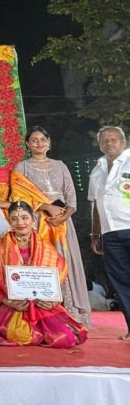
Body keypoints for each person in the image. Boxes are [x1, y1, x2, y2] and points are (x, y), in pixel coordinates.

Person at [0, 136, 63, 298]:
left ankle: (14, 299)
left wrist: (1, 204)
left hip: (5, 223)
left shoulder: (9, 174)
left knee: (8, 258)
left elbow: (21, 199)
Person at [15, 126, 90, 327]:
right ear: (27, 145)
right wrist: (45, 206)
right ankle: (44, 313)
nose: (39, 143)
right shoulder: (22, 167)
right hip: (37, 223)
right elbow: (18, 198)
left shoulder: (60, 166)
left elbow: (71, 196)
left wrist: (65, 216)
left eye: (43, 139)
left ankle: (71, 310)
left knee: (65, 261)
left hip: (63, 223)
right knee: (41, 262)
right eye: (34, 140)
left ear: (49, 143)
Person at [0, 201, 87, 348]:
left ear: (33, 220)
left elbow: (60, 278)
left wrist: (54, 301)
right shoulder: (2, 247)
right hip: (16, 306)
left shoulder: (46, 247)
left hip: (43, 305)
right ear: (9, 222)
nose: (20, 223)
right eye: (14, 218)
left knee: (65, 338)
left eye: (24, 218)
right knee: (23, 336)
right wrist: (10, 302)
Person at [88, 125, 130, 340]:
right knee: (121, 283)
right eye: (105, 140)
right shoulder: (97, 170)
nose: (109, 143)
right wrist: (95, 234)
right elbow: (96, 205)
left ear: (123, 142)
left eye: (114, 139)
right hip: (110, 234)